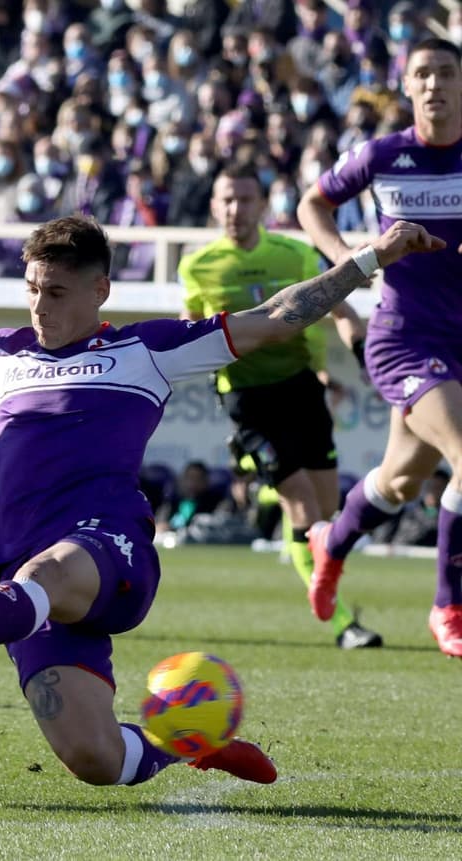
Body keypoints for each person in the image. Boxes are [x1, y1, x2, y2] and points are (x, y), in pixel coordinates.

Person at [0, 214, 440, 790]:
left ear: (100, 289)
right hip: (24, 591)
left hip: (107, 546)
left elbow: (276, 317)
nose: (39, 305)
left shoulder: (147, 349)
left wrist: (370, 259)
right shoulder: (7, 355)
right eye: (31, 289)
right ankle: (188, 742)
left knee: (46, 572)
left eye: (55, 291)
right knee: (96, 759)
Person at [298, 38, 462, 658]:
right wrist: (349, 261)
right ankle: (450, 605)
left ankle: (331, 541)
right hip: (407, 338)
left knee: (398, 481)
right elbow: (312, 203)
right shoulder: (383, 155)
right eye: (423, 73)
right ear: (407, 85)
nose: (434, 84)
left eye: (446, 72)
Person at [179, 162, 382, 650]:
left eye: (245, 199)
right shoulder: (198, 264)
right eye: (226, 199)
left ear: (262, 206)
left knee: (327, 520)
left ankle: (304, 552)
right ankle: (339, 625)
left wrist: (362, 352)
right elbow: (189, 327)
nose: (235, 209)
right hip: (247, 401)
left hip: (301, 389)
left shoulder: (293, 253)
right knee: (304, 507)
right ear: (213, 206)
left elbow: (341, 308)